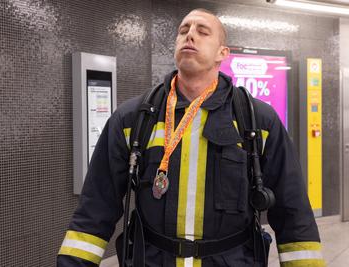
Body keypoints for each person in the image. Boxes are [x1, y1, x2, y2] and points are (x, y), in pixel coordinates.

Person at [57, 8, 326, 267]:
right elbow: (96, 208)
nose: (190, 35)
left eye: (203, 31)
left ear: (223, 53)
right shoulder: (133, 119)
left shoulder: (257, 121)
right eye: (183, 29)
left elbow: (293, 213)